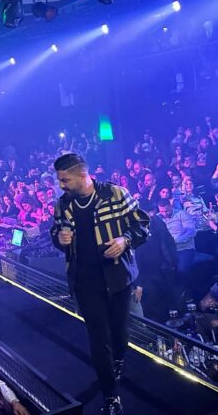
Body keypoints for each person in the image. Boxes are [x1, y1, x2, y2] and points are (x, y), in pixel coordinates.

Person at [50, 153, 149, 415]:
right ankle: (111, 396)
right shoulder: (63, 204)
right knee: (98, 338)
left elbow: (142, 225)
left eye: (65, 180)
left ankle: (119, 359)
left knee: (119, 332)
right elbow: (55, 232)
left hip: (118, 277)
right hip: (84, 282)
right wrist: (59, 238)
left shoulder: (116, 194)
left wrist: (125, 240)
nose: (61, 185)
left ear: (82, 175)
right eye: (59, 180)